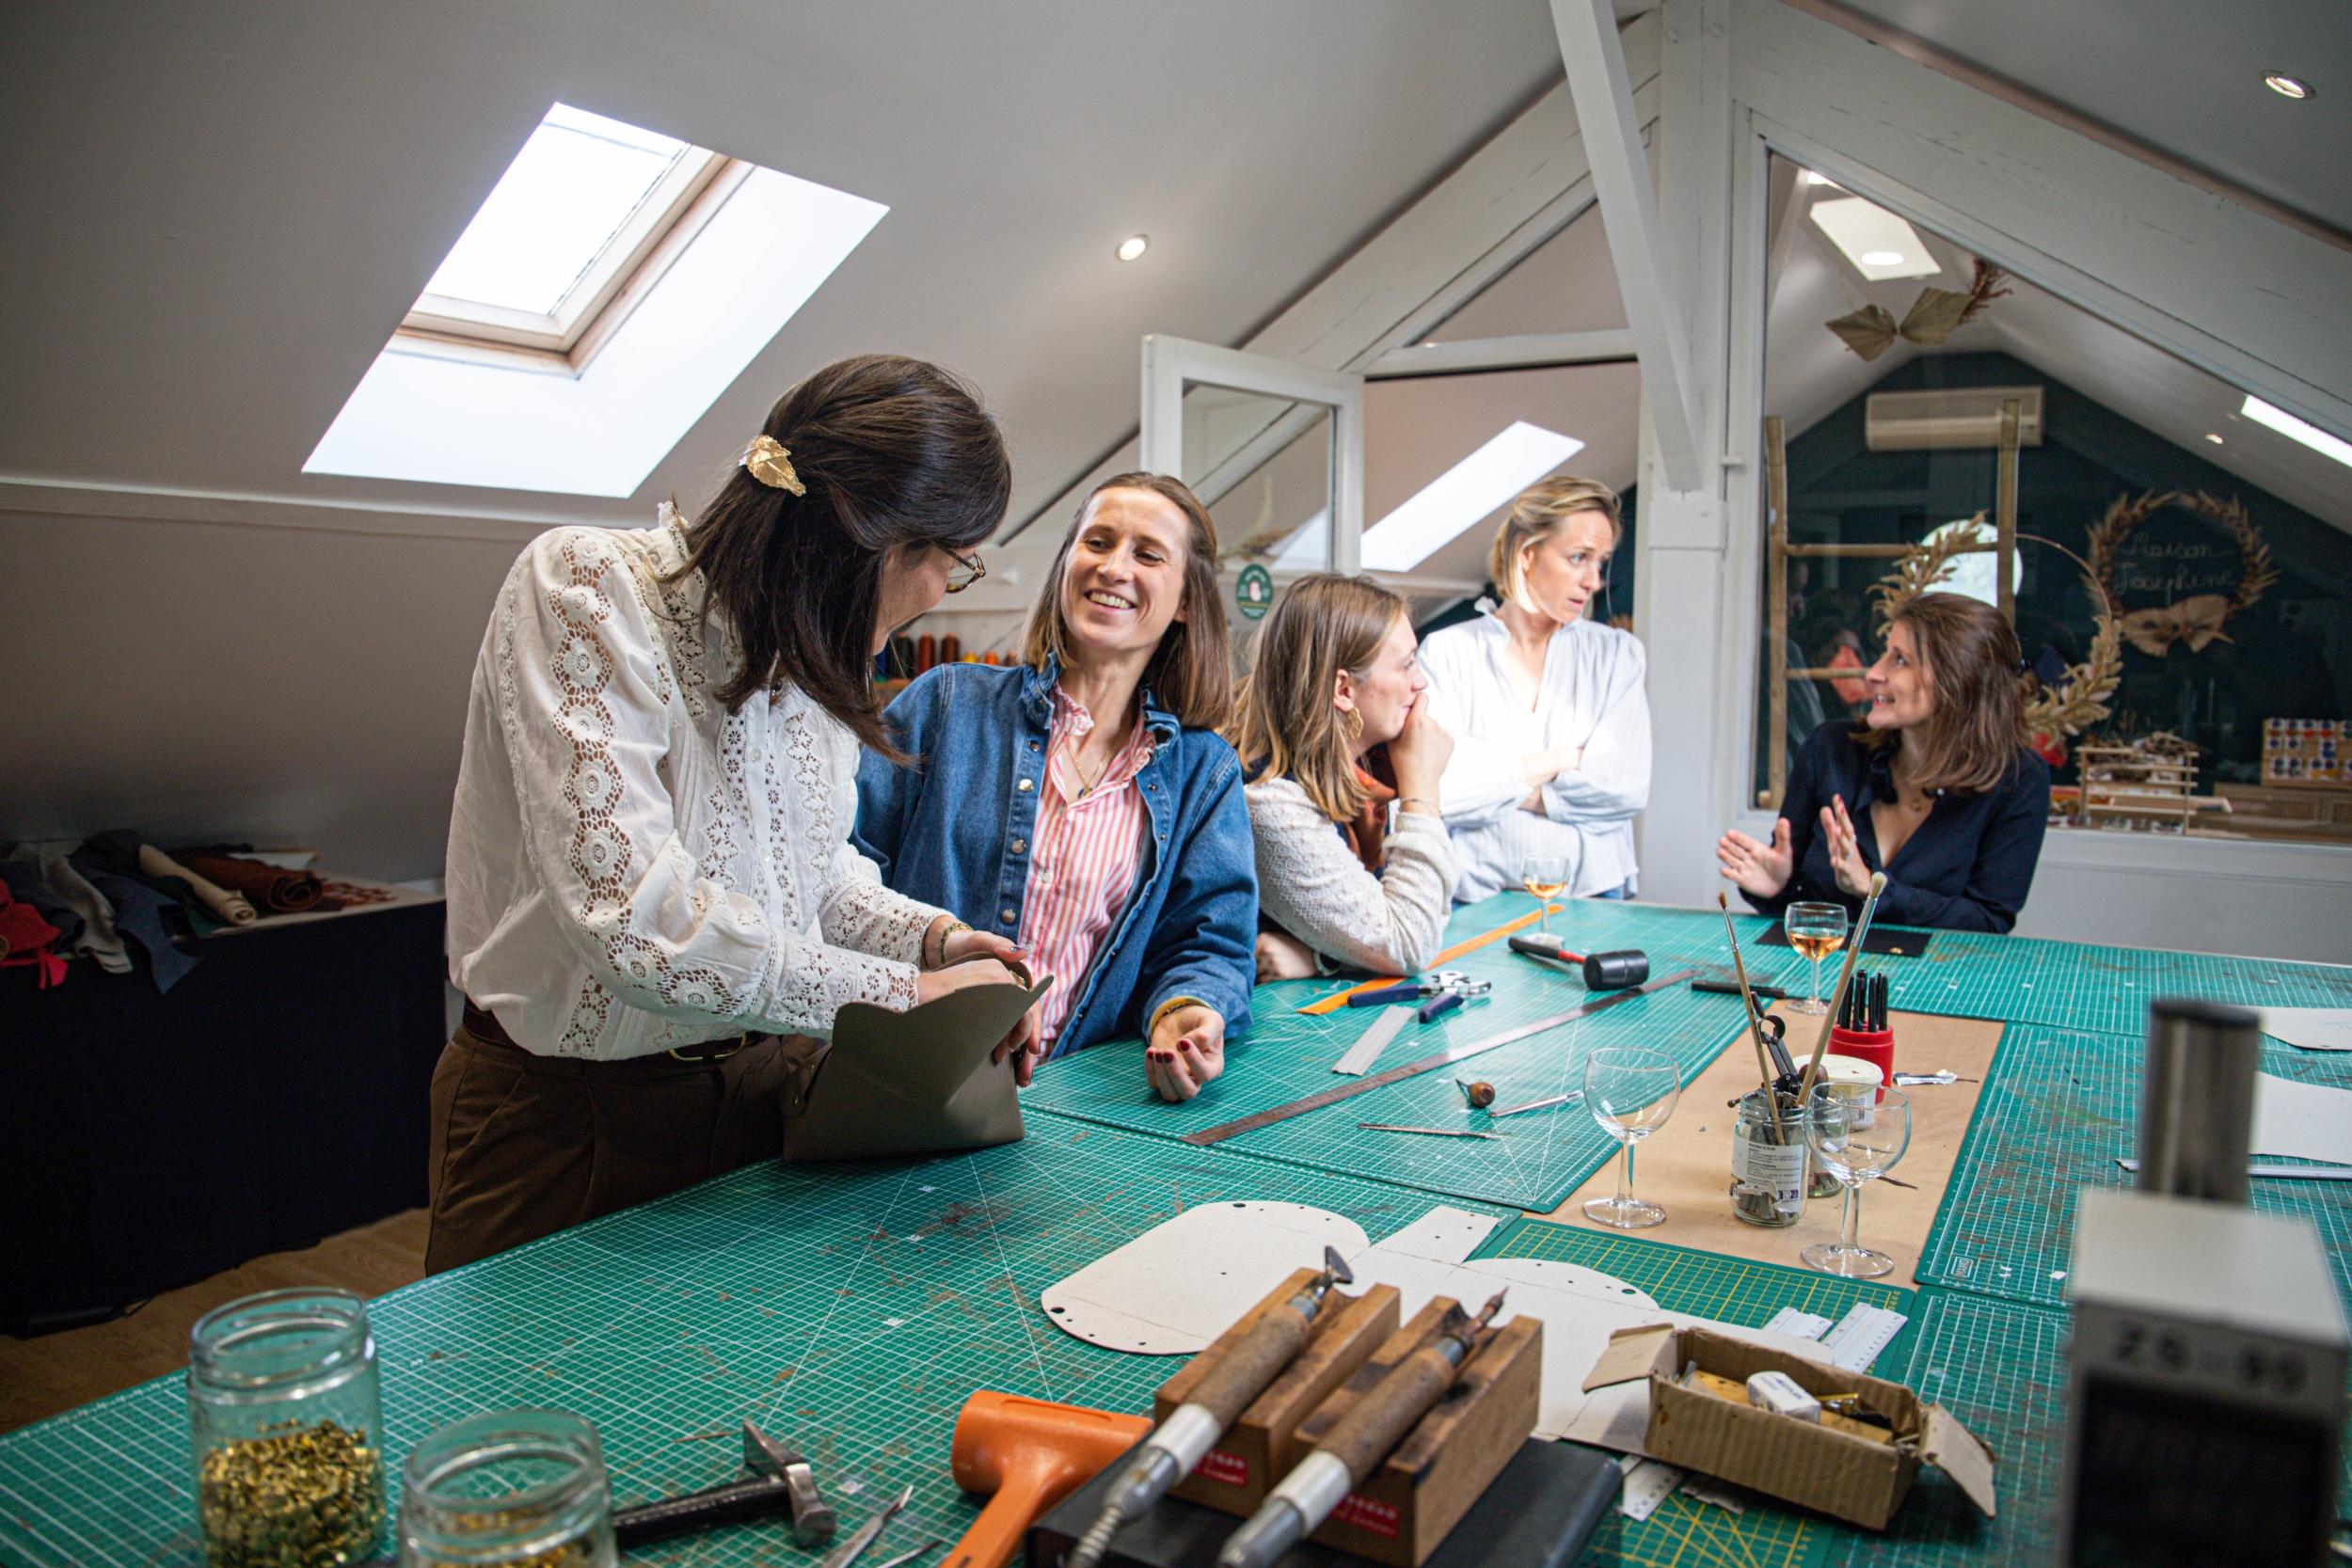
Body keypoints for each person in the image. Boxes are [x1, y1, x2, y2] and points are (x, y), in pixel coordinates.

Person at [432, 355, 1038, 1273]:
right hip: (564, 1121)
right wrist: (908, 1001)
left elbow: (811, 878)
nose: (934, 600)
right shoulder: (587, 590)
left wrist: (935, 944)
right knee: (538, 1414)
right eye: (953, 565)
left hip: (762, 1090)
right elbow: (639, 927)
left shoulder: (813, 663)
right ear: (872, 538)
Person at [854, 473, 1255, 1103]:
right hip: (906, 1082)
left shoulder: (1204, 772)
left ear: (1185, 601)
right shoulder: (947, 704)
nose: (1114, 567)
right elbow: (841, 870)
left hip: (1074, 1102)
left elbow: (1207, 941)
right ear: (1067, 562)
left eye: (1148, 554)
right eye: (1097, 542)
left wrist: (1187, 1007)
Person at [1717, 592, 2051, 932]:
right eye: (1884, 655)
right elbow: (1799, 906)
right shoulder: (1829, 750)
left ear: (1958, 681)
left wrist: (1873, 890)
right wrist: (1777, 888)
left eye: (1901, 660)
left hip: (1942, 979)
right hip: (1821, 975)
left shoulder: (2020, 780)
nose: (1875, 672)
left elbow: (1988, 919)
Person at [1417, 476, 1650, 901]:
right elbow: (1438, 790)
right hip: (1472, 901)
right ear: (1527, 554)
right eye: (1578, 558)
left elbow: (1624, 788)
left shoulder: (1618, 655)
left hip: (1595, 897)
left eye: (1600, 562)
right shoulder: (1449, 652)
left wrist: (1499, 781)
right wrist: (1560, 761)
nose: (1593, 581)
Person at [1230, 574, 1457, 980]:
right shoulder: (1268, 800)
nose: (1420, 682)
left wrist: (1321, 958)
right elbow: (1409, 944)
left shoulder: (1368, 770)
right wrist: (1422, 796)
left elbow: (1428, 912)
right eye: (1406, 664)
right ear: (1343, 690)